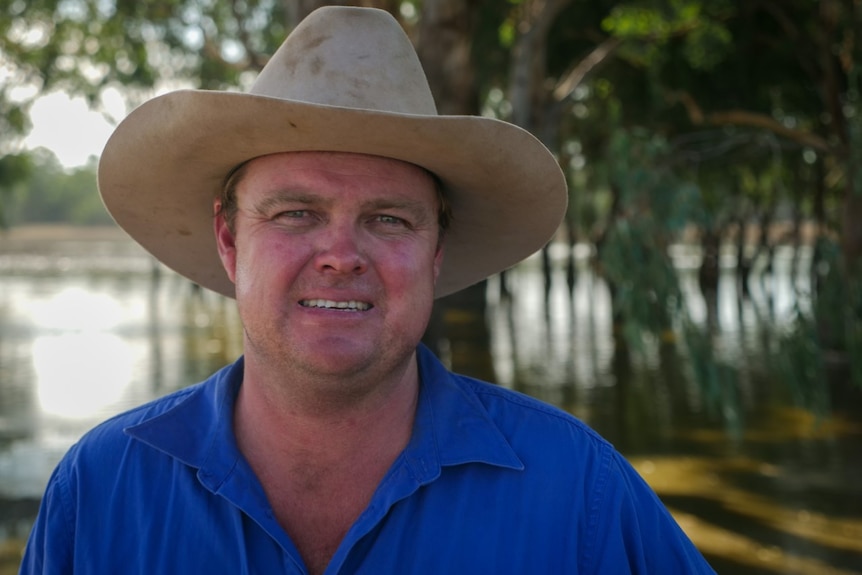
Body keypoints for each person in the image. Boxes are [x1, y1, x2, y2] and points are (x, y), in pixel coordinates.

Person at [21, 6, 716, 575]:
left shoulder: (580, 495)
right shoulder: (100, 490)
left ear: (435, 250)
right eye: (296, 213)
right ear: (229, 239)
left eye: (388, 219)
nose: (341, 256)